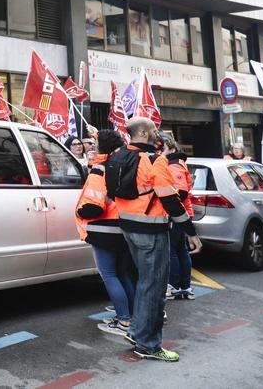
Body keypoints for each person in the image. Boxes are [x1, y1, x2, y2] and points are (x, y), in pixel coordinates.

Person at [111, 117, 202, 362]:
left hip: (129, 228)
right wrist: (191, 231)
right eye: (152, 129)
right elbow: (171, 200)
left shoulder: (118, 155)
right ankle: (149, 345)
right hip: (151, 231)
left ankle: (137, 332)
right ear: (142, 132)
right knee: (154, 288)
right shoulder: (154, 160)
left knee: (144, 284)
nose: (156, 132)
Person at [76, 129, 134, 338]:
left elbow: (94, 207)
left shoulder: (100, 170)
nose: (92, 146)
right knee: (122, 273)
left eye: (95, 143)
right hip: (124, 226)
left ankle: (124, 321)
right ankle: (131, 317)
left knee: (109, 275)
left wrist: (79, 211)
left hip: (103, 229)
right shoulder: (123, 165)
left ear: (103, 147)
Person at [160, 132, 195, 301]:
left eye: (163, 148)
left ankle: (175, 286)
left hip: (177, 214)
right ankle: (184, 286)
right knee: (181, 249)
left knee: (174, 250)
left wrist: (170, 207)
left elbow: (180, 192)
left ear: (172, 148)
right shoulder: (176, 163)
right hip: (180, 213)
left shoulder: (174, 165)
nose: (160, 152)